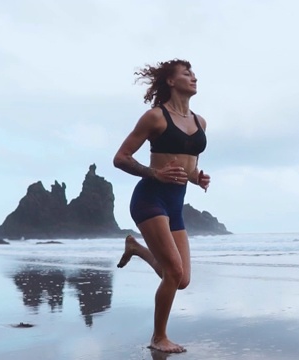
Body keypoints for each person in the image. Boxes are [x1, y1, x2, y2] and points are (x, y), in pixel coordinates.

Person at [113, 59, 210, 353]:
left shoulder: (200, 122)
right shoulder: (155, 117)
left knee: (181, 279)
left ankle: (135, 248)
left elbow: (188, 168)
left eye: (193, 73)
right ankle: (159, 337)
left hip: (175, 204)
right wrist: (155, 173)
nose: (194, 77)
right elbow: (121, 158)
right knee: (174, 271)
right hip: (150, 198)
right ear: (171, 81)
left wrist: (197, 178)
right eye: (186, 73)